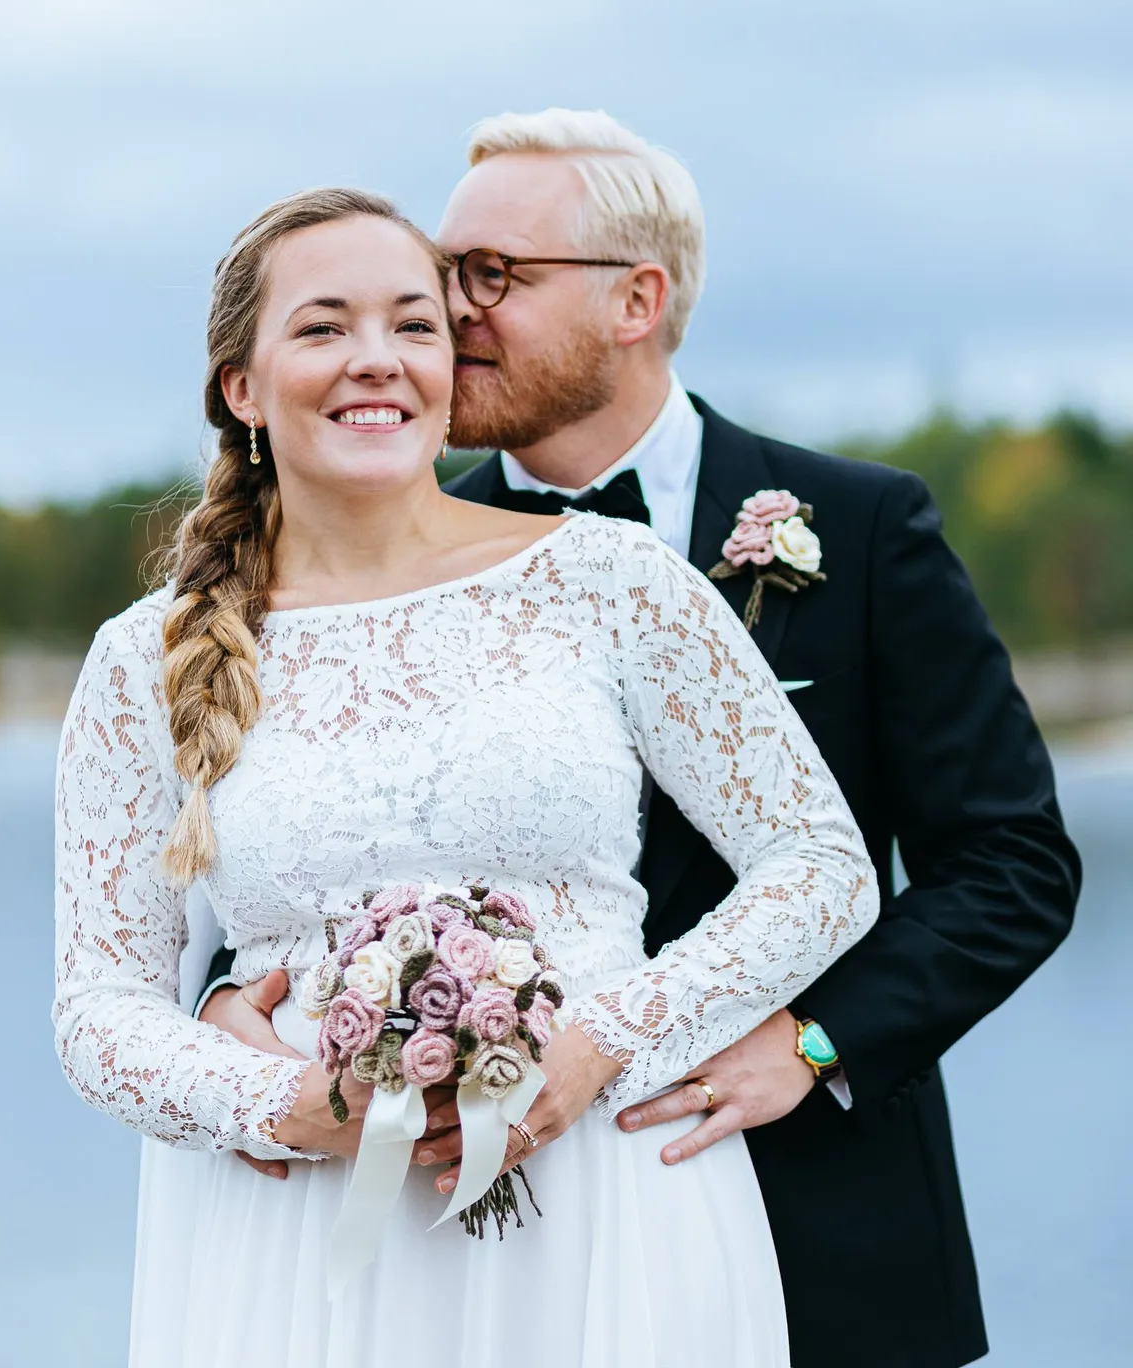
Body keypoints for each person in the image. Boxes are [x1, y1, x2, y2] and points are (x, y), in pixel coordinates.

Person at [199, 113, 1081, 1368]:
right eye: (447, 276)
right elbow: (309, 826)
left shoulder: (867, 528)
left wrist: (817, 1040)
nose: (450, 314)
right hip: (489, 1242)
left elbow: (1012, 863)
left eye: (490, 276)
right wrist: (230, 1006)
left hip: (814, 1196)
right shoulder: (390, 556)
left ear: (637, 298)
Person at [53, 185, 878, 1368]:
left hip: (601, 1194)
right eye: (324, 327)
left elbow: (821, 868)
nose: (374, 362)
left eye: (413, 324)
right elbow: (100, 1006)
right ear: (241, 386)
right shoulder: (149, 655)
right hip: (303, 1229)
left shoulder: (614, 581)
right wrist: (282, 1109)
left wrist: (604, 1038)